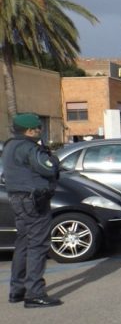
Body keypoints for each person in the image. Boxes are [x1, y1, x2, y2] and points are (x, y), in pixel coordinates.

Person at [3, 113, 62, 308]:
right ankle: (34, 294)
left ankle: (17, 289)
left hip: (18, 199)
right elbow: (48, 169)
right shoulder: (30, 148)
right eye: (38, 128)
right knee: (37, 245)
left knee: (23, 244)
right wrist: (52, 159)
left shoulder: (9, 145)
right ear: (30, 130)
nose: (40, 131)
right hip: (33, 200)